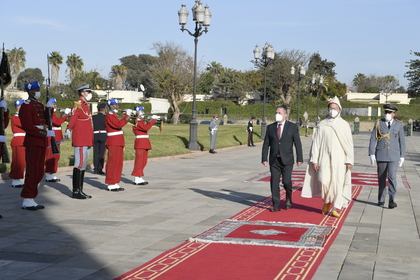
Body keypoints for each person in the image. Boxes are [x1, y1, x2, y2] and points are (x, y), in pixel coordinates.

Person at [302, 97, 354, 217]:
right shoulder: (322, 124)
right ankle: (327, 201)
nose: (332, 111)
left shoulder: (344, 125)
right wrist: (314, 160)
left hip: (339, 159)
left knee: (337, 183)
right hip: (324, 158)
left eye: (335, 109)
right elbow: (316, 143)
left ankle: (334, 207)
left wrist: (349, 160)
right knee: (323, 180)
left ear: (339, 109)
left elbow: (348, 144)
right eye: (330, 109)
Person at [19, 81, 54, 210]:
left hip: (40, 141)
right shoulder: (26, 106)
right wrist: (43, 132)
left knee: (39, 171)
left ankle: (32, 197)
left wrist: (50, 109)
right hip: (33, 140)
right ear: (30, 91)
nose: (38, 91)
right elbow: (27, 126)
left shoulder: (39, 104)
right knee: (32, 170)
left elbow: (45, 120)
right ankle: (27, 198)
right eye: (36, 89)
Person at [262, 106, 303, 212]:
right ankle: (276, 205)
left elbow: (297, 143)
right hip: (274, 159)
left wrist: (300, 158)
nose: (277, 114)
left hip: (287, 160)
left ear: (285, 115)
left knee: (286, 181)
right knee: (274, 182)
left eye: (279, 113)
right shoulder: (270, 127)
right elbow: (266, 144)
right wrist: (264, 158)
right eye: (276, 112)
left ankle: (288, 197)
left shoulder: (292, 127)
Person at [368, 104, 405, 209]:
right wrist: (371, 153)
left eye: (389, 112)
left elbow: (402, 141)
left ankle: (392, 200)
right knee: (381, 178)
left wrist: (402, 156)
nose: (387, 114)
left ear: (394, 114)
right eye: (386, 112)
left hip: (394, 156)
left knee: (392, 177)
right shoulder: (379, 123)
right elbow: (373, 139)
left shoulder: (398, 125)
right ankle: (381, 199)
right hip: (381, 155)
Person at [68, 85, 94, 199]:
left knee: (83, 165)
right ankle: (75, 191)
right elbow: (73, 118)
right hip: (81, 138)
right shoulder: (78, 104)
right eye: (88, 92)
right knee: (78, 164)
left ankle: (80, 190)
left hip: (87, 138)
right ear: (83, 93)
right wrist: (69, 129)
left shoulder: (85, 105)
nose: (89, 94)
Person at [105, 99, 132, 191]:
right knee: (113, 163)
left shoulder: (114, 115)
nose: (117, 106)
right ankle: (111, 183)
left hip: (118, 141)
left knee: (118, 163)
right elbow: (118, 125)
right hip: (113, 142)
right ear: (111, 106)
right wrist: (127, 116)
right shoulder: (109, 116)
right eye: (116, 105)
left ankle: (115, 181)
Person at [44, 98, 71, 182]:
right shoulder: (49, 113)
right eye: (53, 104)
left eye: (55, 104)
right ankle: (48, 173)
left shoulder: (54, 113)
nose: (55, 106)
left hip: (57, 136)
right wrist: (66, 114)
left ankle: (52, 172)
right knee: (51, 155)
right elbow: (57, 122)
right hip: (52, 136)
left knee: (56, 155)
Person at [131, 106, 158, 185]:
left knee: (143, 161)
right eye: (141, 111)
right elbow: (146, 128)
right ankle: (136, 177)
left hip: (144, 142)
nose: (143, 113)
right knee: (139, 161)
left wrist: (149, 120)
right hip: (140, 143)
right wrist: (152, 121)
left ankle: (140, 176)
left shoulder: (141, 121)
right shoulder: (137, 121)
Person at [9, 100, 25, 188]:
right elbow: (24, 124)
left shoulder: (22, 117)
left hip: (23, 141)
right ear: (18, 107)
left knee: (22, 161)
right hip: (18, 141)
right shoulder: (15, 117)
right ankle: (15, 179)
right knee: (18, 162)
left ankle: (18, 178)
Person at [92, 103, 107, 175]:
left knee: (96, 152)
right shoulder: (105, 117)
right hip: (103, 135)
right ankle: (100, 168)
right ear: (103, 109)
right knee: (102, 153)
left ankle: (95, 168)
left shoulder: (93, 117)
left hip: (95, 135)